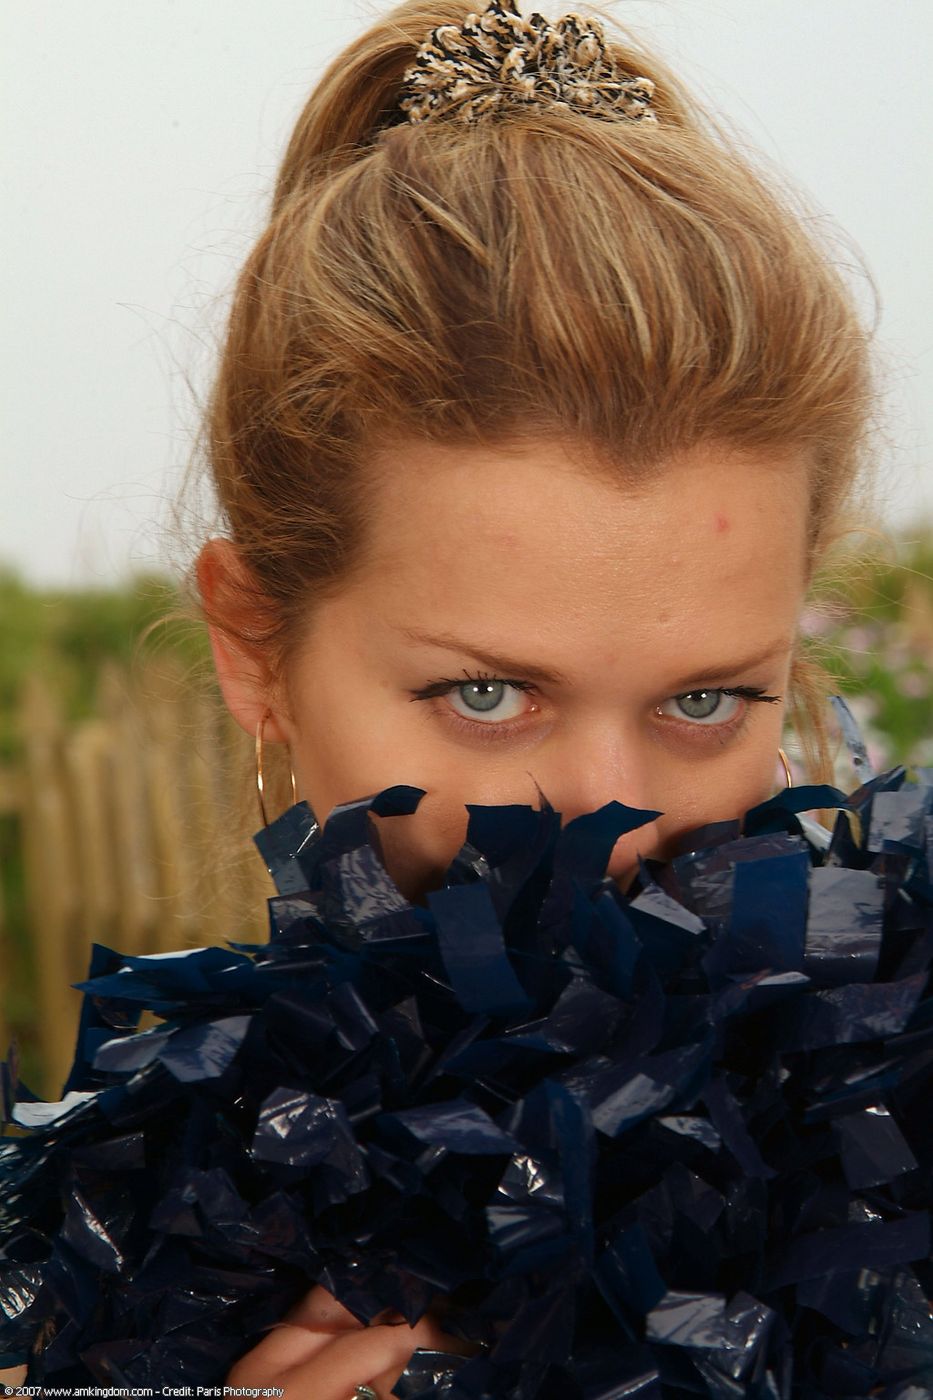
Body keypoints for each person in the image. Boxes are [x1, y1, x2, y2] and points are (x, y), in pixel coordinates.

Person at [3, 1, 927, 1397]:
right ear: (254, 644)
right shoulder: (87, 1268)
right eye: (487, 695)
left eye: (704, 704)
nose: (610, 825)